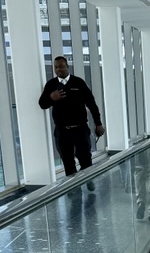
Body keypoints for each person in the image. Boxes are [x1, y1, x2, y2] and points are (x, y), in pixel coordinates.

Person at [38, 55, 105, 189]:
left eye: (61, 66)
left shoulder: (78, 83)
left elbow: (92, 104)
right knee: (67, 162)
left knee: (85, 158)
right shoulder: (51, 85)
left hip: (80, 129)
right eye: (56, 67)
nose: (59, 69)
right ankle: (73, 190)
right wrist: (52, 98)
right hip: (62, 131)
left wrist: (98, 123)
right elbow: (42, 104)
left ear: (67, 67)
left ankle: (89, 182)